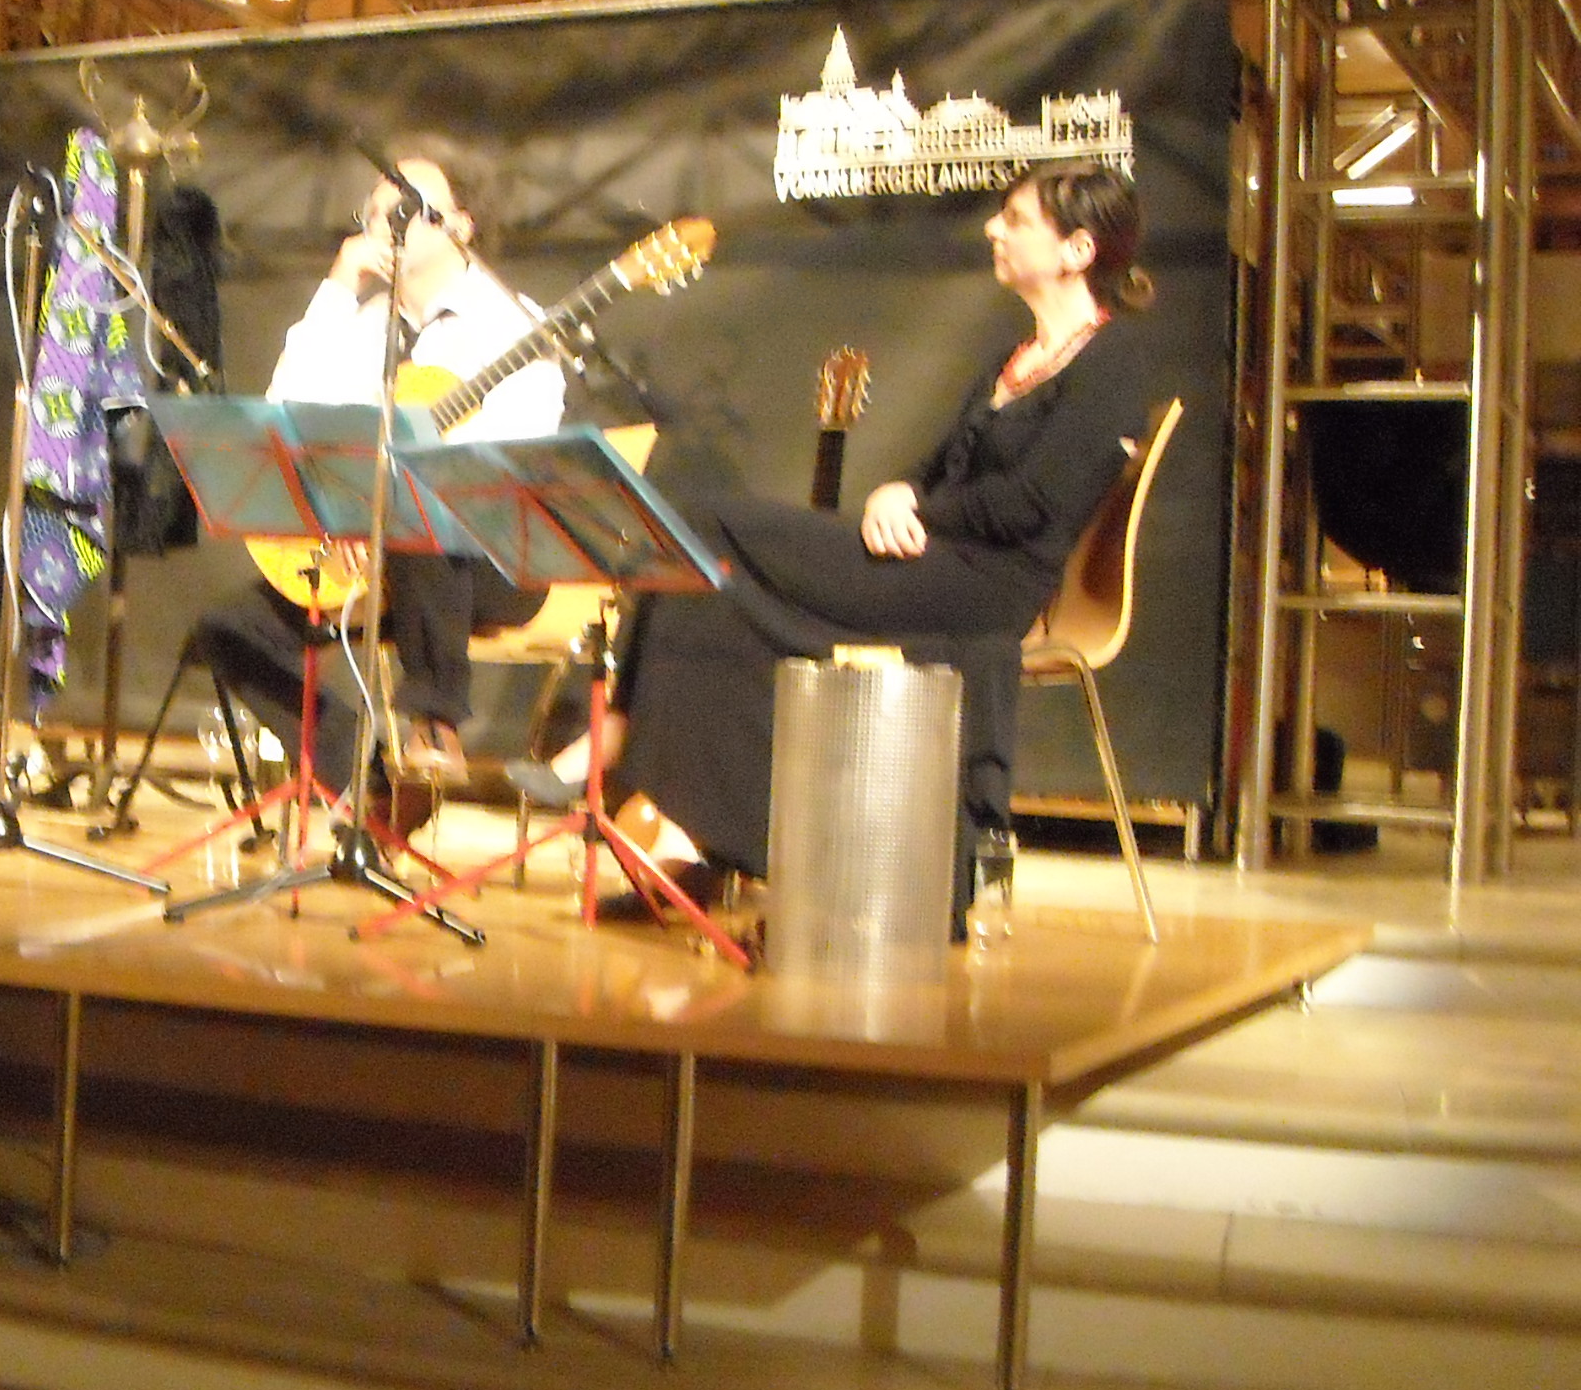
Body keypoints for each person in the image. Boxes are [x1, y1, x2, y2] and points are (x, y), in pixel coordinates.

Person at [545, 159, 1156, 928]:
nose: (994, 229)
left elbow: (1035, 502)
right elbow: (937, 467)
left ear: (1077, 251)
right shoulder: (1015, 355)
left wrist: (922, 511)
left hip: (987, 584)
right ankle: (698, 844)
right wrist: (896, 490)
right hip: (936, 557)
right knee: (716, 588)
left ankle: (623, 734)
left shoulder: (1111, 365)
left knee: (705, 525)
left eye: (1016, 220)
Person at [191, 146, 566, 810]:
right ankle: (364, 787)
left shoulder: (514, 323)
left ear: (460, 226)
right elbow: (287, 414)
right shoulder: (363, 324)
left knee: (420, 515)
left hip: (490, 560)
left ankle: (434, 721)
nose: (386, 222)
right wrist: (339, 285)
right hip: (375, 566)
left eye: (408, 210)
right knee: (229, 631)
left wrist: (391, 505)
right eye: (375, 212)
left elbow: (515, 460)